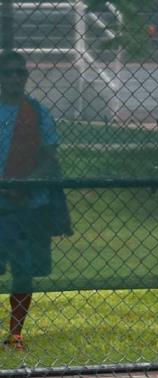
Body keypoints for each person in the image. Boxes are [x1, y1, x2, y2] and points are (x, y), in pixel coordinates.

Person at [0, 51, 66, 351]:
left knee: (23, 272)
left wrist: (25, 185)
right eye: (8, 72)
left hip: (27, 205)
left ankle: (15, 335)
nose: (14, 78)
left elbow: (49, 157)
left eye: (20, 73)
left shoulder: (38, 112)